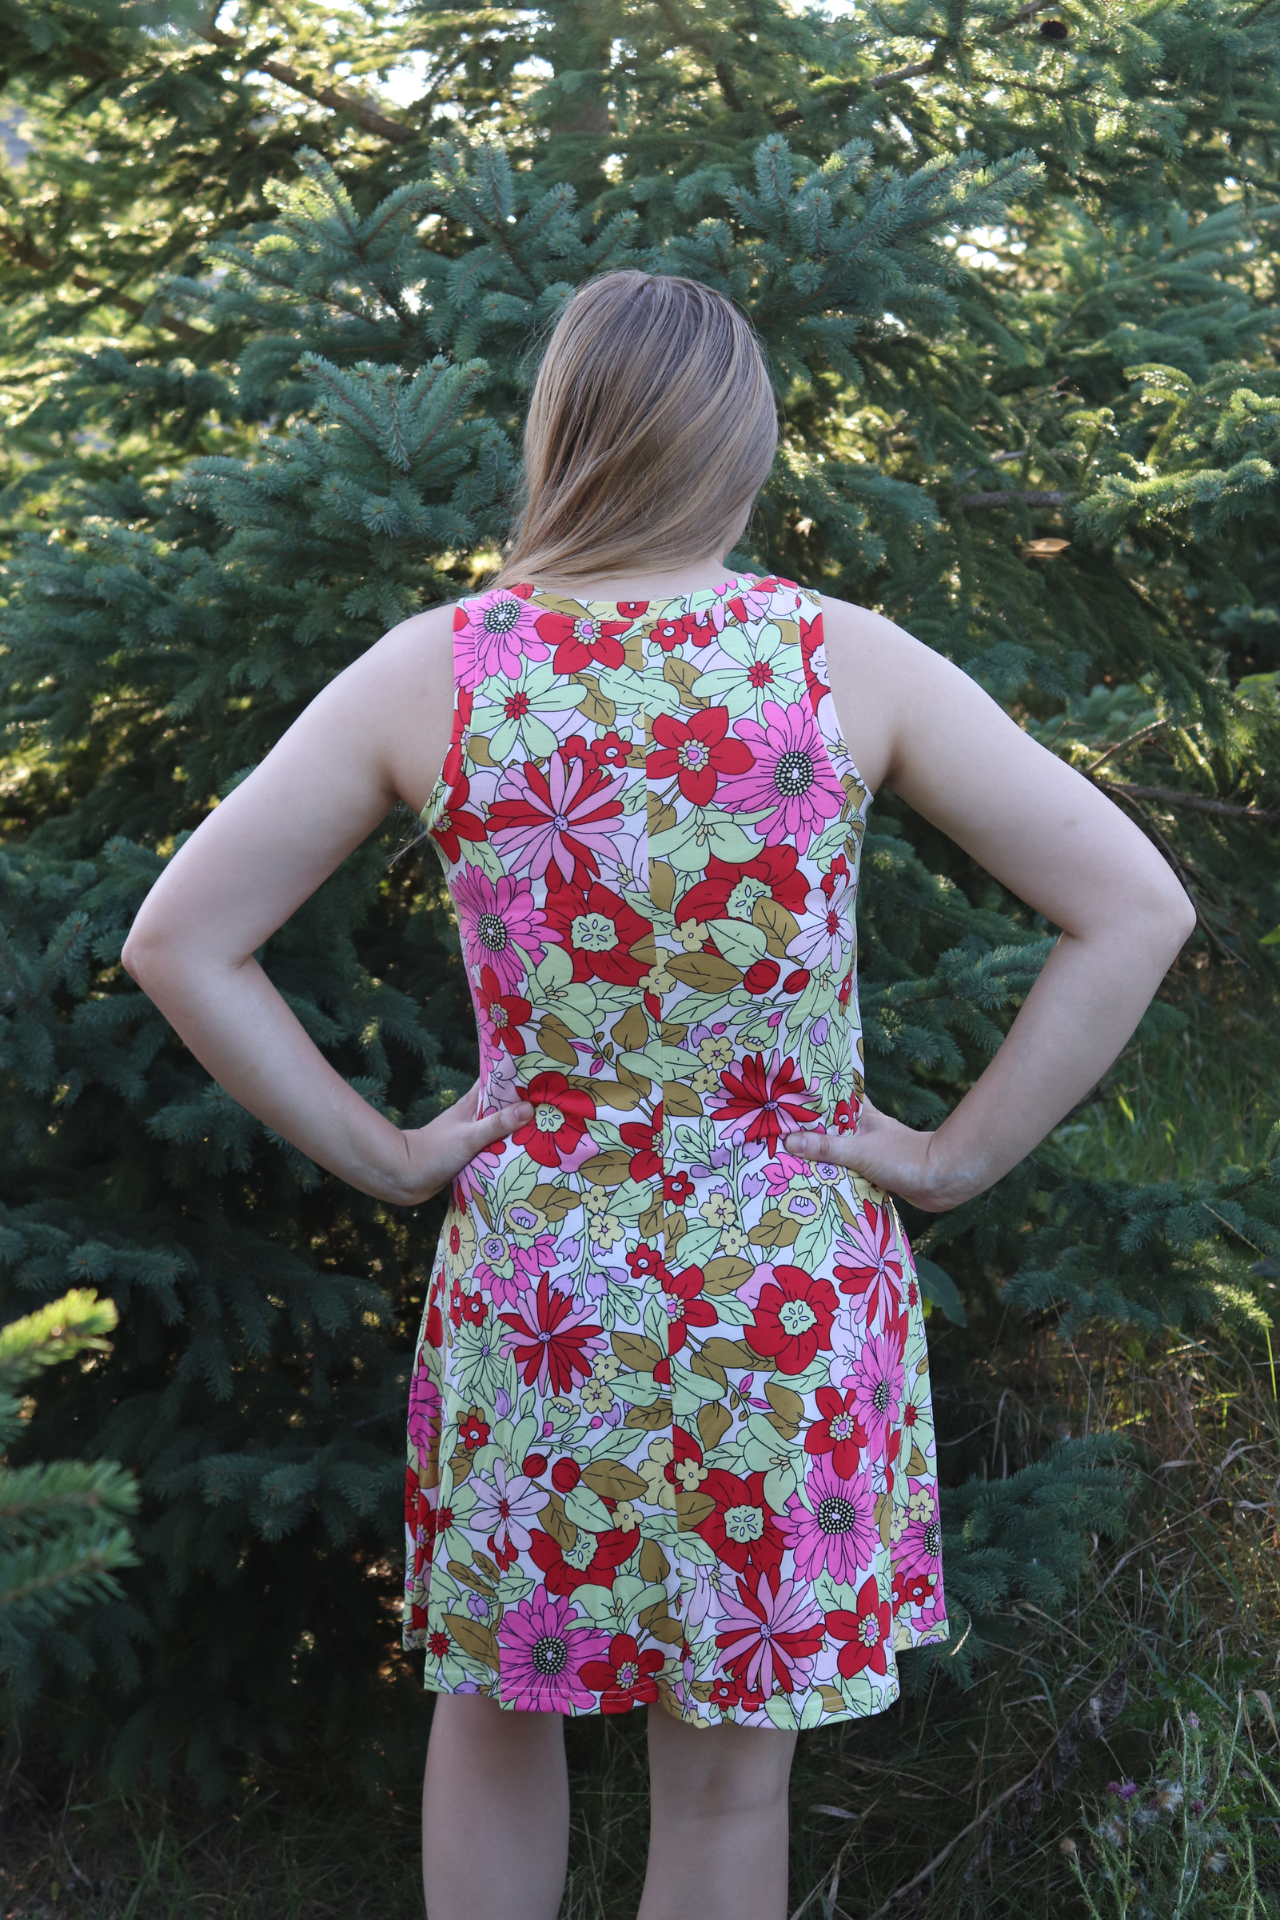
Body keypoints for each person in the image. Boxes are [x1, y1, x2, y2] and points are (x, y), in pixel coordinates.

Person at [122, 270, 1195, 1920]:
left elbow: (184, 939)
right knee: (722, 1788)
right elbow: (1137, 906)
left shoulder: (441, 671)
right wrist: (952, 1155)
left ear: (560, 434)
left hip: (544, 1279)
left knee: (495, 1714)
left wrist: (391, 1156)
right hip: (785, 1286)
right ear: (742, 449)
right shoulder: (844, 660)